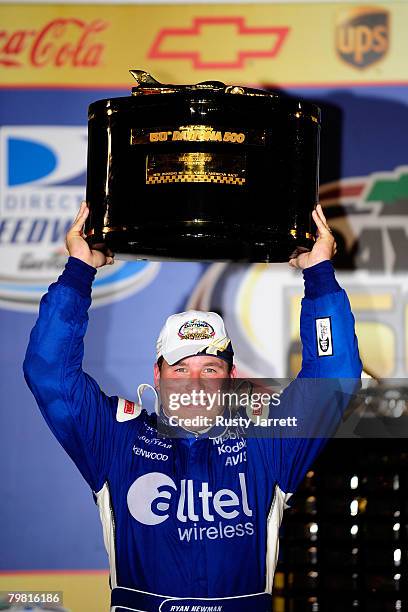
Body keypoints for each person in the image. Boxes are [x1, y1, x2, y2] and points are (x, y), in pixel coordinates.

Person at [24, 203, 362, 612]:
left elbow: (334, 377)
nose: (196, 382)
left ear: (232, 374)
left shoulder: (268, 442)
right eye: (181, 367)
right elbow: (50, 373)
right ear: (158, 374)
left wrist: (319, 274)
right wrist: (79, 270)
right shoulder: (116, 439)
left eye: (210, 367)